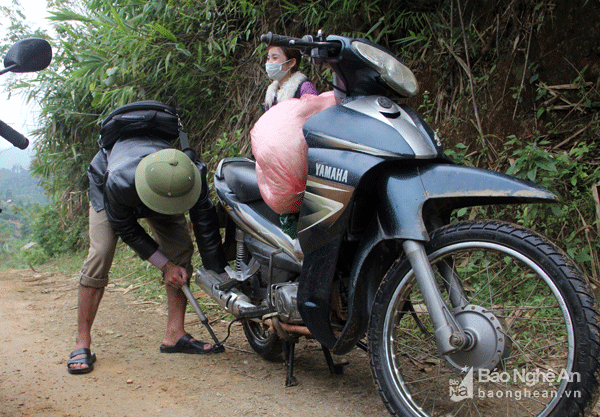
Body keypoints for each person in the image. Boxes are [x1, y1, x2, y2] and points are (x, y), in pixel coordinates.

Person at [67, 137, 228, 374]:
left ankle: (175, 334)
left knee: (181, 248)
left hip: (162, 183)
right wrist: (165, 266)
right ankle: (82, 342)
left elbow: (205, 225)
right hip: (113, 184)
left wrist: (222, 279)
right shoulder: (118, 183)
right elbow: (127, 229)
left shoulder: (189, 175)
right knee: (100, 253)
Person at [264, 45, 318, 111]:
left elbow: (313, 114)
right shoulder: (271, 95)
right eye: (268, 58)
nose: (269, 63)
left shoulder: (305, 88)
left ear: (291, 62)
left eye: (275, 58)